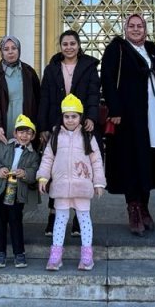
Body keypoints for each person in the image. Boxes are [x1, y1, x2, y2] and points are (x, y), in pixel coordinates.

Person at [101, 13, 155, 236]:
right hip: (128, 116)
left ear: (146, 29)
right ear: (125, 28)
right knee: (131, 160)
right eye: (132, 26)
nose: (136, 29)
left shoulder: (153, 50)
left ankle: (144, 205)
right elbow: (107, 79)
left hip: (153, 114)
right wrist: (114, 109)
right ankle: (133, 207)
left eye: (140, 26)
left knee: (147, 160)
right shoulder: (117, 49)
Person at [37, 29, 100, 236]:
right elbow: (44, 98)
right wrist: (44, 127)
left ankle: (76, 219)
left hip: (81, 125)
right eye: (65, 44)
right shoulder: (52, 68)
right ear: (61, 46)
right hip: (57, 124)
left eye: (73, 43)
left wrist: (91, 117)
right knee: (58, 171)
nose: (69, 47)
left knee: (80, 170)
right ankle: (53, 216)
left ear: (79, 45)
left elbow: (93, 94)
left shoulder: (89, 67)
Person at [37, 94, 106, 272]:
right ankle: (56, 255)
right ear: (62, 117)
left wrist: (98, 182)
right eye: (67, 116)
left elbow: (96, 160)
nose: (70, 120)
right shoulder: (55, 136)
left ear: (80, 117)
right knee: (60, 220)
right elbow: (47, 159)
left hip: (82, 186)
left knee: (84, 219)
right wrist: (43, 177)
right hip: (60, 187)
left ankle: (87, 255)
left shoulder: (88, 137)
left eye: (74, 116)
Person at [0, 113, 40, 269]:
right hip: (0, 189)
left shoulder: (33, 155)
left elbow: (35, 171)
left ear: (33, 136)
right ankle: (0, 252)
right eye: (21, 131)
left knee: (16, 222)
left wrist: (26, 173)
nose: (24, 135)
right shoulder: (3, 145)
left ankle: (19, 253)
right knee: (0, 222)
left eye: (29, 132)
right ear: (15, 133)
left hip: (17, 191)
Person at [0, 35, 41, 149]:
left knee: (26, 162)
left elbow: (39, 100)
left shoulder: (29, 72)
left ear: (19, 50)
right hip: (6, 127)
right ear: (1, 52)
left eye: (14, 48)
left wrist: (38, 125)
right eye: (6, 49)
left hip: (27, 127)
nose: (10, 52)